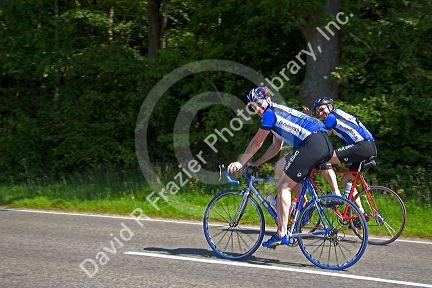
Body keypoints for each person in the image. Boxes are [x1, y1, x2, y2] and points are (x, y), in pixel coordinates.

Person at [227, 87, 333, 248]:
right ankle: (302, 210)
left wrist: (240, 163)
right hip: (321, 141)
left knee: (283, 186)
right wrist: (256, 163)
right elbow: (275, 147)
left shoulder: (269, 115)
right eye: (253, 106)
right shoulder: (277, 112)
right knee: (281, 166)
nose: (257, 108)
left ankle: (281, 233)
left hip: (312, 143)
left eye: (258, 103)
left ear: (267, 99)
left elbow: (257, 142)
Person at [311, 97, 377, 210]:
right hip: (370, 147)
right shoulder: (338, 114)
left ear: (330, 107)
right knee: (346, 180)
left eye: (322, 110)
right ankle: (360, 214)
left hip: (361, 146)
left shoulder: (331, 117)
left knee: (324, 159)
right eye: (318, 112)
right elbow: (328, 132)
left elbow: (320, 136)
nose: (320, 114)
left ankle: (336, 194)